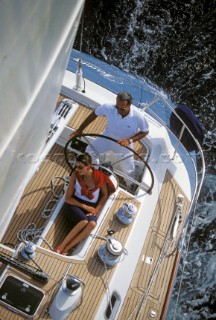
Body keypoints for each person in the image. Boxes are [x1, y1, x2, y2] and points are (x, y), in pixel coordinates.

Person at [69, 91, 149, 181]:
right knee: (89, 152)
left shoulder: (138, 117)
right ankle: (94, 173)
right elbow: (94, 114)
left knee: (129, 171)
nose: (118, 110)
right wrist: (80, 130)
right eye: (117, 106)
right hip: (106, 138)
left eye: (122, 108)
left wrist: (129, 141)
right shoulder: (108, 107)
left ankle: (130, 184)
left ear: (129, 105)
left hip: (124, 146)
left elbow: (145, 131)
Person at [54, 153, 115, 255]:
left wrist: (96, 210)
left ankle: (67, 248)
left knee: (92, 224)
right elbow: (68, 199)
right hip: (74, 204)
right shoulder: (75, 175)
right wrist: (85, 207)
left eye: (80, 167)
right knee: (84, 221)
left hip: (90, 207)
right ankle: (61, 247)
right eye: (76, 166)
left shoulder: (100, 178)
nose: (77, 169)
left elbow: (105, 195)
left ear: (88, 166)